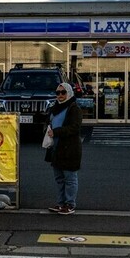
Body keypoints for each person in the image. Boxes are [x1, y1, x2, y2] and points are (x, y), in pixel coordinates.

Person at [45, 82, 83, 215]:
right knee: (59, 178)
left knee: (70, 177)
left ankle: (70, 204)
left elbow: (75, 127)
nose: (60, 95)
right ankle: (61, 203)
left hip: (70, 148)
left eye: (63, 92)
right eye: (58, 93)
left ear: (69, 93)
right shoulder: (55, 107)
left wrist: (57, 131)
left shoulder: (74, 108)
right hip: (56, 147)